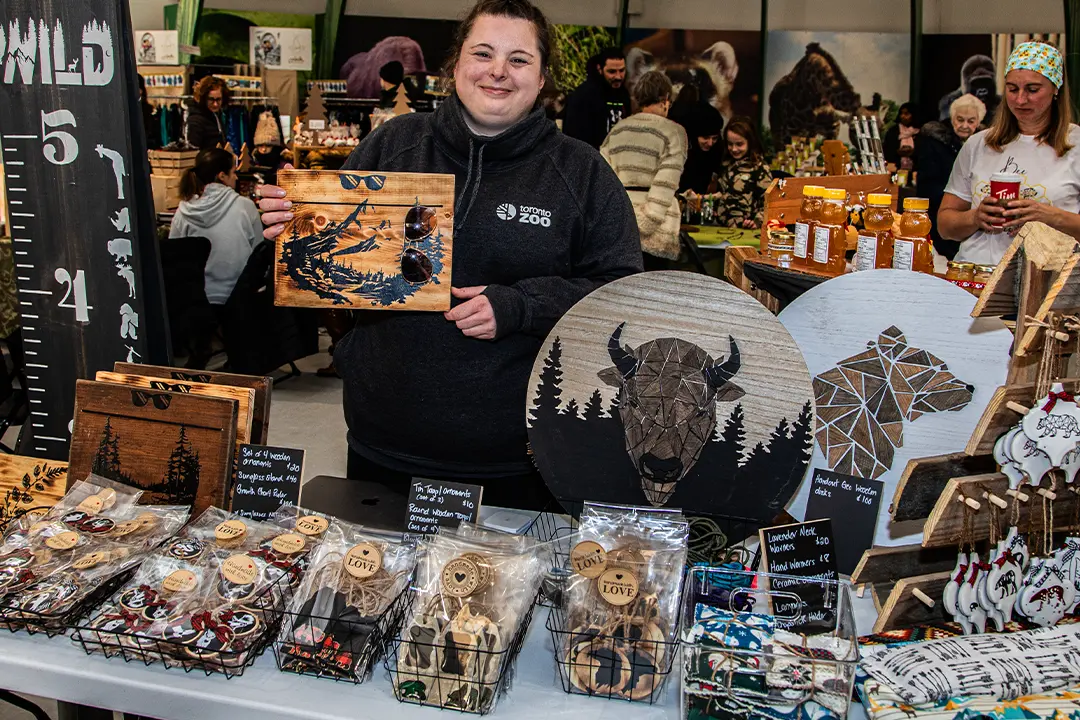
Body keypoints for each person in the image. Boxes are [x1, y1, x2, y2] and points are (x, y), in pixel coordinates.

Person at [258, 0, 642, 510]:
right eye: (483, 53)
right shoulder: (393, 146)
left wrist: (522, 306)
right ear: (455, 64)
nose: (498, 71)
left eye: (519, 59)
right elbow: (328, 255)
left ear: (542, 77)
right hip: (382, 442)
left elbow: (623, 292)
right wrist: (290, 227)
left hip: (518, 456)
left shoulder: (581, 172)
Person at [939, 42, 1080, 266]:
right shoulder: (978, 144)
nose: (1020, 99)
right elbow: (945, 226)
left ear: (1056, 88)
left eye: (1033, 90)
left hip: (1044, 279)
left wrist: (1049, 216)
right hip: (975, 274)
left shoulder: (1075, 144)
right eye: (1012, 89)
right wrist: (975, 217)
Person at [170, 148, 263, 367]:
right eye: (233, 172)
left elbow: (174, 254)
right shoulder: (245, 207)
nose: (236, 177)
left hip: (197, 298)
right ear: (222, 176)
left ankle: (202, 351)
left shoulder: (184, 210)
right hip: (237, 295)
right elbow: (259, 252)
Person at [600, 71, 687, 268]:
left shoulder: (618, 130)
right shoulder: (674, 132)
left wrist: (622, 218)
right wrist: (647, 220)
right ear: (665, 99)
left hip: (620, 226)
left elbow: (604, 180)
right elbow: (666, 182)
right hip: (657, 230)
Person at [917, 93, 986, 259]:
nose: (964, 125)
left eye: (971, 121)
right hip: (940, 214)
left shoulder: (985, 143)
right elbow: (927, 184)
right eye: (960, 120)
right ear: (952, 118)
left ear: (979, 122)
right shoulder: (935, 141)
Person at [562, 47, 631, 149]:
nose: (618, 76)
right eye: (612, 72)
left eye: (622, 70)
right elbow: (573, 136)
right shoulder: (583, 96)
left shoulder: (623, 94)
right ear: (599, 69)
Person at [714, 116, 772, 229]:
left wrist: (757, 222)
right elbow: (721, 194)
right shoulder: (725, 164)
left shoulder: (759, 168)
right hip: (721, 228)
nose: (734, 149)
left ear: (750, 142)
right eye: (730, 144)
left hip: (747, 230)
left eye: (739, 144)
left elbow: (769, 203)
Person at [677, 101, 724, 193]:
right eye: (705, 137)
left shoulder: (718, 149)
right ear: (694, 136)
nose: (710, 143)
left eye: (714, 138)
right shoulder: (680, 150)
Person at [186, 76, 229, 150]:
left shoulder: (217, 115)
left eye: (218, 99)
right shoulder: (195, 121)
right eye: (211, 99)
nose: (215, 104)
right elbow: (193, 151)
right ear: (204, 98)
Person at [883, 102, 920, 171]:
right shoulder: (894, 131)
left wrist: (912, 152)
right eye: (901, 113)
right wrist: (898, 152)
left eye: (906, 114)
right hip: (895, 167)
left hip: (915, 169)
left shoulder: (919, 132)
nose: (902, 116)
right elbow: (887, 150)